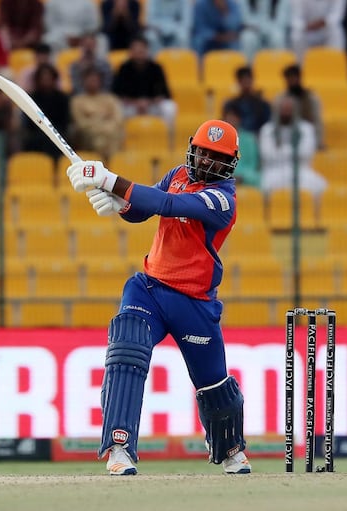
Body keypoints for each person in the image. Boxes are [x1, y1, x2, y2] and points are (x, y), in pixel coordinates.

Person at [64, 118, 251, 476]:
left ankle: (230, 450)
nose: (208, 162)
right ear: (192, 148)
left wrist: (108, 179)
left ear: (230, 162)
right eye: (204, 153)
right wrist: (117, 202)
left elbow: (167, 205)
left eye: (217, 157)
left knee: (214, 384)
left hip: (194, 302)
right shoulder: (180, 173)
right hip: (149, 288)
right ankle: (119, 448)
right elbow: (143, 209)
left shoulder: (222, 199)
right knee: (126, 352)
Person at [259, 95, 326, 196]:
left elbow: (306, 153)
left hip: (302, 171)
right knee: (265, 186)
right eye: (284, 110)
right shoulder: (268, 129)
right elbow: (268, 154)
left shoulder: (306, 129)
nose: (286, 113)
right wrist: (294, 151)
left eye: (289, 110)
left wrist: (280, 149)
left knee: (321, 185)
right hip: (274, 171)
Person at [112, 35, 176, 128]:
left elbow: (165, 94)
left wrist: (148, 102)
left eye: (141, 51)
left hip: (151, 106)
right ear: (130, 52)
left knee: (169, 107)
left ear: (147, 50)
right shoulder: (124, 68)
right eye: (136, 51)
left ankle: (169, 140)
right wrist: (136, 103)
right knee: (117, 109)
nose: (139, 54)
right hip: (131, 107)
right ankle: (121, 139)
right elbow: (117, 94)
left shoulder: (156, 68)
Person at [70, 67, 124, 159]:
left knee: (116, 134)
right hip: (89, 135)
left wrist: (99, 123)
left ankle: (112, 164)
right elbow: (80, 122)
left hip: (108, 133)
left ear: (100, 81)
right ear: (84, 81)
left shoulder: (110, 99)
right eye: (90, 80)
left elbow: (118, 119)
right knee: (99, 141)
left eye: (95, 80)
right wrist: (101, 121)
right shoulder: (77, 101)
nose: (92, 83)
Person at [24, 63, 70, 161]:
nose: (46, 81)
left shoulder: (62, 98)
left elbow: (65, 121)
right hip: (36, 134)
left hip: (58, 134)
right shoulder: (31, 99)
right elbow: (29, 122)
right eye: (43, 78)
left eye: (48, 78)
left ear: (54, 79)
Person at [279, 64, 325, 149]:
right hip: (287, 141)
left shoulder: (312, 99)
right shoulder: (281, 100)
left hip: (308, 140)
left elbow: (317, 123)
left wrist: (318, 143)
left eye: (294, 77)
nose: (292, 80)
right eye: (289, 78)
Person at [221, 66, 271, 135]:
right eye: (243, 80)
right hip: (236, 137)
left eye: (248, 79)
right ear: (238, 82)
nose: (246, 83)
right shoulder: (231, 105)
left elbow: (267, 127)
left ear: (252, 80)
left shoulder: (263, 105)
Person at [223, 106, 260, 187]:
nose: (232, 120)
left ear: (239, 119)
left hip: (246, 176)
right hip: (225, 176)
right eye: (229, 117)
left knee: (259, 178)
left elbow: (252, 164)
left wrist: (241, 177)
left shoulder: (249, 139)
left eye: (234, 117)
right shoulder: (221, 139)